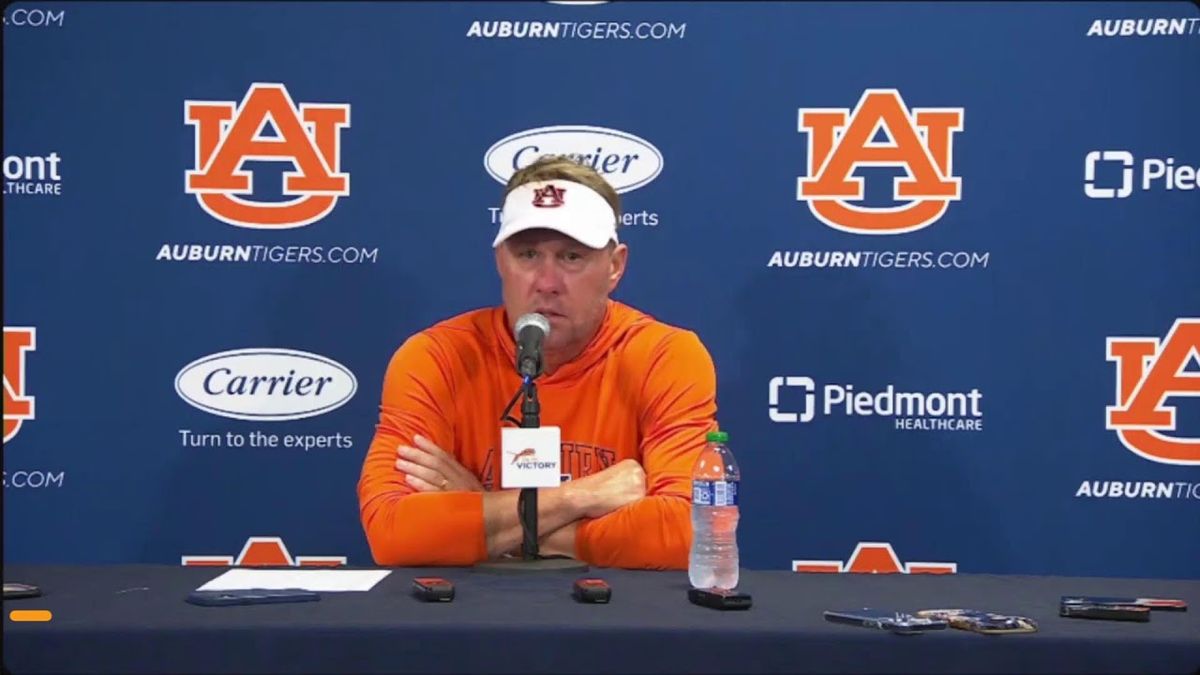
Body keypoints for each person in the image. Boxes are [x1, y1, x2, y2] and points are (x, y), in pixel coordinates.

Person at [357, 155, 718, 569]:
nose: (546, 283)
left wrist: (485, 514)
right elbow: (392, 532)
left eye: (571, 257)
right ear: (499, 261)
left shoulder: (665, 356)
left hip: (618, 622)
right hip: (470, 619)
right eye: (527, 255)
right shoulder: (435, 357)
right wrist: (575, 499)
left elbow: (685, 532)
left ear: (615, 266)